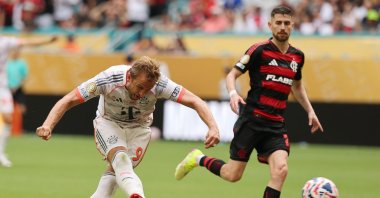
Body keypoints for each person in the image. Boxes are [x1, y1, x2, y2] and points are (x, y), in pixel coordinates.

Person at [174, 6, 324, 198]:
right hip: (252, 121)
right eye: (278, 23)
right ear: (270, 25)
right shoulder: (258, 50)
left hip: (276, 125)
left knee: (281, 170)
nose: (283, 27)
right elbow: (232, 74)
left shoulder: (298, 56)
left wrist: (310, 111)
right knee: (232, 174)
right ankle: (198, 158)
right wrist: (233, 93)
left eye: (287, 23)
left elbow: (297, 86)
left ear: (292, 26)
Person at [36, 56, 220, 198]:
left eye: (147, 90)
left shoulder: (161, 84)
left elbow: (194, 100)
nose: (142, 94)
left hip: (139, 128)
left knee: (116, 174)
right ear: (129, 76)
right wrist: (47, 125)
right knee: (121, 159)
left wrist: (213, 127)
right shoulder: (109, 78)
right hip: (109, 123)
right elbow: (69, 99)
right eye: (139, 87)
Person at [0, 35, 57, 168]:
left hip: (2, 88)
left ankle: (1, 153)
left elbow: (27, 42)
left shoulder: (5, 41)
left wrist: (47, 40)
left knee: (8, 119)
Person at [6, 47, 29, 135]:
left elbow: (25, 76)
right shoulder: (8, 63)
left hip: (18, 88)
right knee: (7, 108)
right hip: (8, 89)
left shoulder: (22, 63)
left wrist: (17, 86)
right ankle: (8, 128)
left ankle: (23, 128)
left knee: (22, 108)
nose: (15, 53)